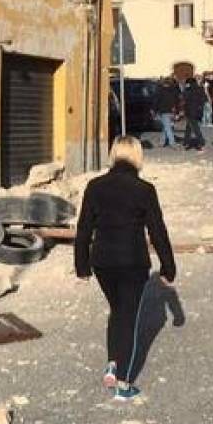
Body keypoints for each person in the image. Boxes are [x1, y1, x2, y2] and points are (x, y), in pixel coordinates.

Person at [75, 136, 177, 402]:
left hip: (102, 262)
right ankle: (123, 383)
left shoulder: (95, 186)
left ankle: (112, 363)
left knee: (117, 312)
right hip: (132, 261)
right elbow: (157, 231)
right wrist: (168, 268)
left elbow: (84, 228)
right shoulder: (144, 189)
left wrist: (82, 266)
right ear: (137, 156)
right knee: (129, 319)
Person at [152, 78, 180, 148]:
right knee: (166, 127)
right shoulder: (174, 91)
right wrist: (177, 112)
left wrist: (154, 110)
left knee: (167, 127)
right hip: (172, 111)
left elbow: (156, 101)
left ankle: (172, 143)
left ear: (163, 83)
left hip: (164, 111)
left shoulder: (160, 91)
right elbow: (177, 101)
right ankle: (162, 142)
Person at [182, 77, 207, 150]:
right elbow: (204, 99)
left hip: (190, 111)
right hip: (198, 111)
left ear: (189, 83)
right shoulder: (200, 89)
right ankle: (186, 141)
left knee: (195, 127)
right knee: (189, 127)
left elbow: (184, 99)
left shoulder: (188, 90)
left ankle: (200, 142)